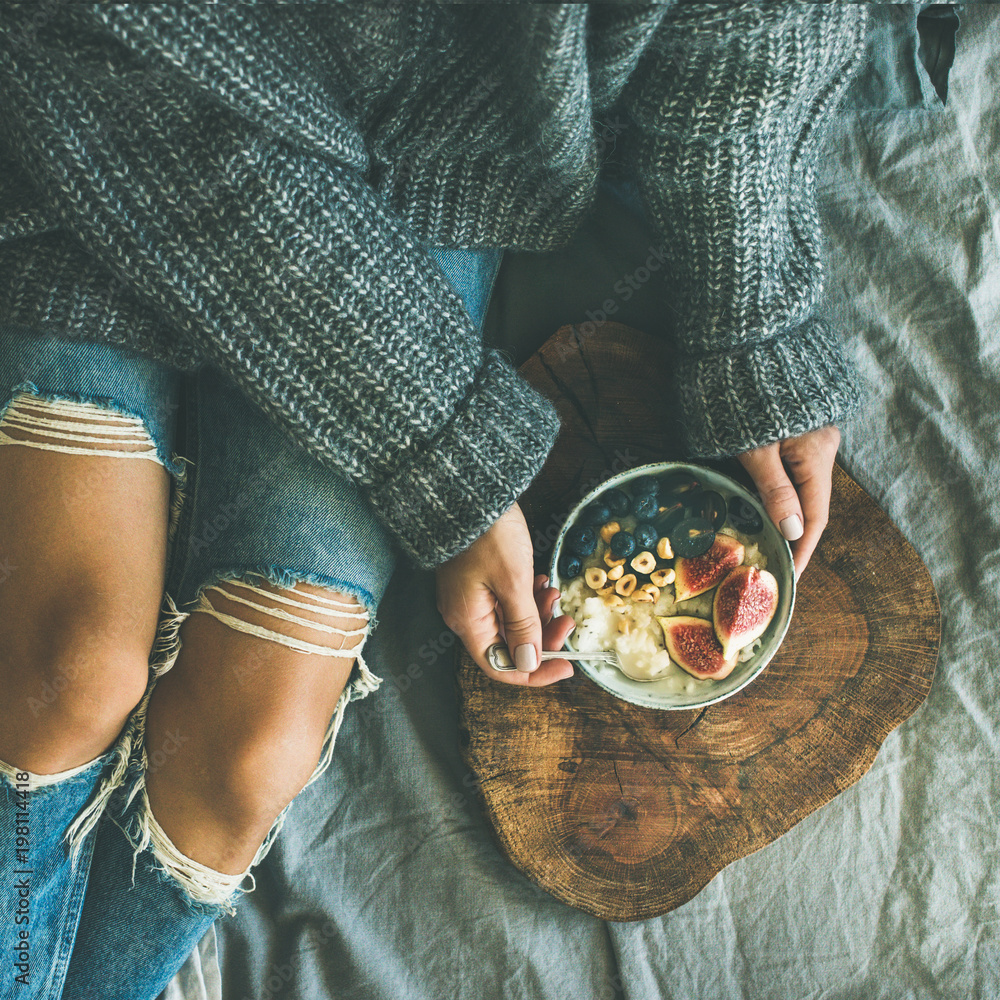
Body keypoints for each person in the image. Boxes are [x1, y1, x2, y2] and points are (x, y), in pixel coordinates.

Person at [0, 3, 869, 997]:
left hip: (423, 170)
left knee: (251, 752)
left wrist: (753, 312)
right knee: (71, 666)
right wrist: (433, 435)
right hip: (102, 110)